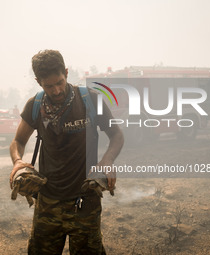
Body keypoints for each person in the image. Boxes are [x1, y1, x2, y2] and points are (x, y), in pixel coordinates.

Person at [9, 49, 124, 254]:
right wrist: (17, 161)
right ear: (38, 82)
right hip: (48, 202)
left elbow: (116, 135)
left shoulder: (91, 99)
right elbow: (18, 141)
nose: (56, 91)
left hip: (85, 201)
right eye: (48, 86)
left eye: (60, 82)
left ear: (67, 73)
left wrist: (107, 160)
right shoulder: (35, 105)